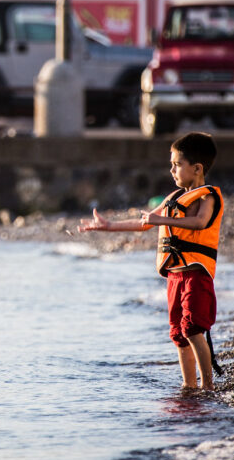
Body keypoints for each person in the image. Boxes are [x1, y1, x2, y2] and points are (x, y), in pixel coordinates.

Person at [78, 132, 224, 391]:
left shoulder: (207, 197)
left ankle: (208, 386)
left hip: (195, 275)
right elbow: (144, 223)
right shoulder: (173, 198)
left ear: (197, 168)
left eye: (177, 165)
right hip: (175, 277)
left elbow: (200, 222)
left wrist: (163, 221)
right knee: (179, 334)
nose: (172, 170)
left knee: (192, 328)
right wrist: (108, 226)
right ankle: (189, 385)